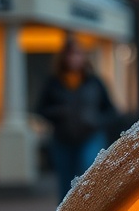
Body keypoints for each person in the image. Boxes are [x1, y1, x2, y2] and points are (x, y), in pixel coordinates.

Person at [36, 37, 118, 199]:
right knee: (65, 185)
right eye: (70, 55)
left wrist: (96, 119)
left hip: (90, 135)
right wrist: (59, 112)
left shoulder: (94, 82)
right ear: (63, 58)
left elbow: (111, 111)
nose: (74, 59)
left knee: (88, 173)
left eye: (78, 54)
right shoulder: (54, 83)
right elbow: (40, 109)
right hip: (63, 139)